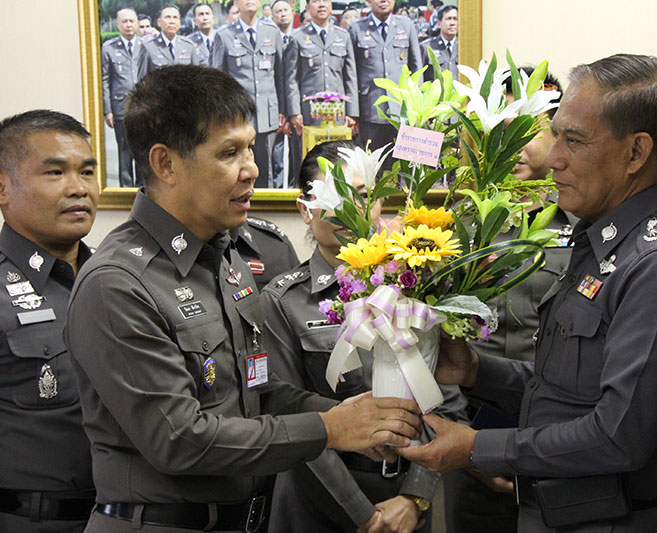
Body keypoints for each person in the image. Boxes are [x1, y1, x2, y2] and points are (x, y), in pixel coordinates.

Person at [64, 64, 422, 532]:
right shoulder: (118, 282)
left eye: (250, 148)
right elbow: (180, 439)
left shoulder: (225, 258)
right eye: (229, 152)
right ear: (165, 164)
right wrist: (331, 430)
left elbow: (255, 392)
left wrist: (349, 417)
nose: (251, 168)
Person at [396, 54, 657, 531]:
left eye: (573, 140)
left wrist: (478, 447)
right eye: (555, 136)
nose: (553, 158)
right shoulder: (605, 238)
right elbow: (572, 392)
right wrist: (475, 371)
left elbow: (616, 435)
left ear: (636, 153)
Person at [263, 140, 463, 532]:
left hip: (408, 501)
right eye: (332, 195)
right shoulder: (283, 301)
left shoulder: (416, 286)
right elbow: (285, 415)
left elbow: (447, 398)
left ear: (379, 200)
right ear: (305, 210)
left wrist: (414, 497)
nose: (348, 209)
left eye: (359, 193)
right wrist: (365, 516)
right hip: (317, 504)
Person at [442, 72, 574, 533]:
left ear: (558, 136)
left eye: (526, 129)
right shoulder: (456, 227)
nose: (511, 144)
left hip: (564, 441)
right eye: (496, 129)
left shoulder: (587, 225)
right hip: (469, 436)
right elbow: (434, 342)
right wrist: (463, 438)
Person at [0, 110, 99, 532]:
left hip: (128, 516)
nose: (79, 188)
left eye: (88, 171)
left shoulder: (119, 278)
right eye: (55, 172)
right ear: (2, 187)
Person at [212, 0, 287, 188]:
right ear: (236, 3)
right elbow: (216, 79)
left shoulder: (272, 32)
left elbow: (281, 75)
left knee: (266, 169)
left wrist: (283, 110)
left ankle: (266, 204)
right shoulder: (225, 35)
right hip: (238, 115)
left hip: (267, 113)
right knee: (238, 167)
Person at [285, 0, 359, 185]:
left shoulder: (343, 36)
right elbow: (291, 78)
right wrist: (295, 112)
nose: (321, 5)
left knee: (338, 159)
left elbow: (350, 76)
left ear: (331, 6)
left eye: (325, 1)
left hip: (338, 115)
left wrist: (352, 112)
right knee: (306, 162)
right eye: (315, 1)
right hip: (308, 115)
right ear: (307, 8)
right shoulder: (298, 37)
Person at [349, 0, 421, 168]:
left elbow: (417, 68)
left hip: (401, 109)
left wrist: (417, 108)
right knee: (371, 165)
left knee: (402, 166)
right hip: (370, 109)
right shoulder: (357, 28)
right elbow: (351, 72)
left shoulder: (406, 26)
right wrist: (353, 113)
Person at [102, 7, 142, 187]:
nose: (128, 25)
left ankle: (142, 188)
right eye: (124, 21)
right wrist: (107, 110)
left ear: (137, 23)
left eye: (131, 21)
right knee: (124, 150)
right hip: (120, 107)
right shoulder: (109, 48)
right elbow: (105, 80)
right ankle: (125, 188)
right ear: (117, 24)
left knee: (142, 149)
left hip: (143, 106)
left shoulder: (145, 46)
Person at [270, 0, 302, 188]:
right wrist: (281, 111)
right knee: (276, 157)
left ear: (292, 13)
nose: (282, 14)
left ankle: (293, 188)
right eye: (278, 11)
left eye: (285, 10)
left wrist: (292, 112)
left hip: (295, 107)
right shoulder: (268, 38)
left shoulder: (300, 38)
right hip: (275, 108)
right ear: (272, 16)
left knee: (296, 156)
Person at [138, 4, 204, 78]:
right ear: (159, 22)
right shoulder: (148, 47)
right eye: (168, 17)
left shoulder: (188, 45)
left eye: (175, 18)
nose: (172, 21)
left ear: (179, 23)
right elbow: (142, 80)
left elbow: (196, 77)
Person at [420, 5, 456, 82]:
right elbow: (419, 76)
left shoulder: (464, 47)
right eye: (448, 19)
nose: (452, 23)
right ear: (439, 24)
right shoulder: (427, 47)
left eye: (455, 19)